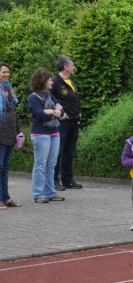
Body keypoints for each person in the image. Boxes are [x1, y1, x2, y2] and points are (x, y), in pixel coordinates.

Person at [28, 68, 66, 204]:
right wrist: (53, 111)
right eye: (50, 80)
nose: (52, 82)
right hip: (40, 134)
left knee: (51, 164)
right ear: (43, 81)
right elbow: (41, 116)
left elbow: (61, 112)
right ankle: (38, 194)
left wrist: (51, 111)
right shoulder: (33, 98)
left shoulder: (50, 95)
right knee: (40, 165)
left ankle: (50, 192)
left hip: (54, 132)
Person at [51, 56, 82, 191]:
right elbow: (50, 101)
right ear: (65, 67)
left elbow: (76, 99)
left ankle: (68, 180)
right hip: (61, 122)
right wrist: (60, 113)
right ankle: (54, 180)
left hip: (74, 121)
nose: (74, 67)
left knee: (69, 151)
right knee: (58, 151)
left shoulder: (71, 80)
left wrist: (80, 111)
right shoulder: (54, 81)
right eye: (72, 65)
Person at [0, 62, 21, 209]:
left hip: (10, 133)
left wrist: (18, 132)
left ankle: (6, 197)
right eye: (3, 72)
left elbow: (13, 113)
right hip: (0, 134)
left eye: (8, 72)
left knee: (5, 167)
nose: (7, 74)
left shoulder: (10, 90)